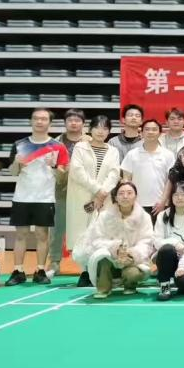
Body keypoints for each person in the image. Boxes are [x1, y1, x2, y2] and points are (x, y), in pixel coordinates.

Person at [5, 108, 71, 286]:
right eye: (36, 118)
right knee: (21, 234)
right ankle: (18, 271)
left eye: (43, 119)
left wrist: (54, 166)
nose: (39, 122)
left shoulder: (58, 147)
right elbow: (13, 172)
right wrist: (17, 163)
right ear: (31, 121)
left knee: (42, 235)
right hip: (22, 197)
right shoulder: (19, 145)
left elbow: (62, 178)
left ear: (50, 123)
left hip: (45, 197)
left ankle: (40, 270)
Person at [72, 181, 153, 299]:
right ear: (115, 197)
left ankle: (130, 285)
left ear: (136, 196)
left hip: (132, 262)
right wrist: (116, 249)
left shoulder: (144, 217)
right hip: (110, 260)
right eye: (121, 193)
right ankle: (104, 288)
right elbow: (96, 240)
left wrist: (131, 254)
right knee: (102, 257)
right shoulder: (104, 216)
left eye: (129, 193)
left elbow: (146, 242)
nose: (125, 196)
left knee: (132, 274)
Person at [67, 115, 121, 286]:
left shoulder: (113, 151)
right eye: (97, 127)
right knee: (82, 234)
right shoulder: (80, 147)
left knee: (101, 233)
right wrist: (98, 190)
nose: (100, 131)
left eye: (105, 128)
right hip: (82, 197)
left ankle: (100, 271)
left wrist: (103, 193)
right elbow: (77, 171)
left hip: (105, 199)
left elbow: (114, 173)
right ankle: (85, 271)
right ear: (90, 129)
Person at [48, 108, 87, 277]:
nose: (74, 123)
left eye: (77, 120)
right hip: (60, 191)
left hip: (84, 192)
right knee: (57, 229)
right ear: (65, 123)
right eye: (70, 120)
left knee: (84, 230)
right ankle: (54, 262)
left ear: (83, 124)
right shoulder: (55, 143)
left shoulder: (90, 142)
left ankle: (85, 263)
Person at [120, 119, 175, 223]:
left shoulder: (168, 155)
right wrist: (130, 200)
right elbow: (126, 180)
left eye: (154, 129)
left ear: (160, 133)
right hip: (137, 204)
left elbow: (170, 180)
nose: (150, 132)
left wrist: (163, 201)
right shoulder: (132, 154)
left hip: (160, 205)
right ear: (141, 132)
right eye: (147, 129)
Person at [154, 181, 184, 300]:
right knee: (167, 249)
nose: (179, 198)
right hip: (168, 259)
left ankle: (183, 282)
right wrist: (175, 243)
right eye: (176, 195)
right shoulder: (163, 215)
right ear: (171, 197)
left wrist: (182, 266)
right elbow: (157, 241)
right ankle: (164, 286)